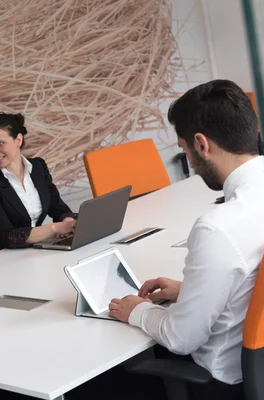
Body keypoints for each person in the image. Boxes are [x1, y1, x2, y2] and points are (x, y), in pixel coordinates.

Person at [109, 79, 264, 400]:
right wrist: (188, 291)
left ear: (201, 144)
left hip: (221, 382)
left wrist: (136, 310)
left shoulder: (218, 227)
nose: (190, 163)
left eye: (184, 150)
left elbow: (181, 339)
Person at [0, 113, 77, 252]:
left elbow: (58, 208)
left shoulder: (38, 167)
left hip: (39, 249)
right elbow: (8, 236)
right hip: (7, 256)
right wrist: (54, 228)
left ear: (18, 140)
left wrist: (68, 222)